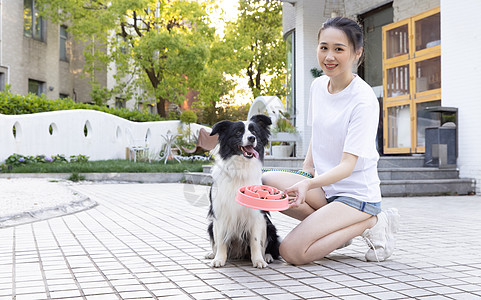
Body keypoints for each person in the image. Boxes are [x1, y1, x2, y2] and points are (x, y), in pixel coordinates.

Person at [262, 17, 399, 265]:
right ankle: (334, 231)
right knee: (268, 182)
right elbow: (319, 132)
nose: (329, 56)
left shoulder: (363, 100)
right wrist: (306, 170)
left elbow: (348, 166)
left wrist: (308, 185)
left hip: (356, 195)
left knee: (291, 251)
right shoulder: (318, 86)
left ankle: (371, 221)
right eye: (324, 47)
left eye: (339, 49)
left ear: (357, 53)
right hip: (327, 190)